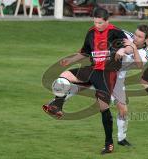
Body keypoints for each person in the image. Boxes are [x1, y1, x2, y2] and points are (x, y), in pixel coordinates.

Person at [42, 7, 130, 154]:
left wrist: (122, 50)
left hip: (107, 74)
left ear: (107, 21)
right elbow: (84, 52)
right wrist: (70, 59)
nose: (97, 25)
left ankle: (109, 144)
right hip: (93, 70)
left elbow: (129, 45)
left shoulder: (116, 32)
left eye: (100, 23)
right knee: (64, 77)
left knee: (103, 107)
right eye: (95, 22)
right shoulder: (91, 33)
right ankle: (58, 106)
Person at [112, 25, 148, 146]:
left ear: (146, 39)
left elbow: (139, 65)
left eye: (140, 37)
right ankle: (58, 102)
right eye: (135, 34)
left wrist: (133, 48)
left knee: (123, 110)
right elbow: (111, 29)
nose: (136, 38)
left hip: (118, 80)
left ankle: (121, 139)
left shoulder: (145, 53)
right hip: (104, 71)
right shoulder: (126, 35)